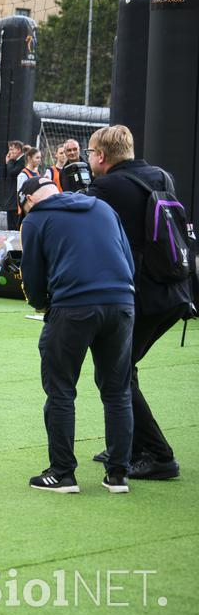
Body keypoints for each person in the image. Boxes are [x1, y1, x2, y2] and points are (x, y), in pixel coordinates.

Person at [85, 125, 192, 480]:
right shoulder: (161, 176)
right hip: (174, 291)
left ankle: (158, 455)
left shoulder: (106, 187)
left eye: (89, 153)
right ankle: (127, 445)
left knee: (114, 373)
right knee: (123, 368)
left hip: (143, 295)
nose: (87, 159)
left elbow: (88, 228)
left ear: (101, 156)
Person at [19, 176, 136, 494]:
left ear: (28, 200)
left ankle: (62, 473)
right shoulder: (102, 207)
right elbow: (127, 258)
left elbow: (33, 277)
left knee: (60, 390)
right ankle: (118, 475)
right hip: (122, 302)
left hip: (73, 306)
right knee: (117, 392)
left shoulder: (35, 220)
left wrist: (43, 305)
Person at [0, 140, 25, 230]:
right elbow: (4, 176)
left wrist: (10, 161)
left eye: (11, 149)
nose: (9, 152)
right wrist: (7, 163)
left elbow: (13, 173)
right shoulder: (13, 162)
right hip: (11, 200)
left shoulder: (22, 161)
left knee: (16, 228)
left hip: (17, 201)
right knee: (10, 228)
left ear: (18, 150)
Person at [15, 146, 42, 223]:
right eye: (37, 158)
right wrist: (25, 209)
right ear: (29, 158)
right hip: (26, 212)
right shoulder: (23, 175)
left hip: (36, 210)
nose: (39, 160)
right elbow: (20, 195)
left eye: (40, 158)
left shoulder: (37, 173)